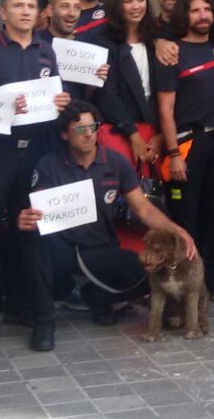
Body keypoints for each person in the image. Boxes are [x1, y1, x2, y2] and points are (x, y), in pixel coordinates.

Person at [19, 102, 198, 350]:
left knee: (147, 271)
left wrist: (177, 230)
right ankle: (44, 323)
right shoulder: (48, 164)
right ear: (64, 134)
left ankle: (98, 298)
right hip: (63, 248)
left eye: (92, 127)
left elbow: (143, 209)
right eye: (80, 129)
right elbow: (39, 208)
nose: (89, 134)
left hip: (101, 247)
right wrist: (28, 219)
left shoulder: (115, 162)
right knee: (35, 241)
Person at [0, 0, 70, 340]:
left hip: (37, 153)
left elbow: (59, 102)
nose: (25, 12)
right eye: (18, 6)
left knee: (33, 232)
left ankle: (38, 317)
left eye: (31, 6)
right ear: (2, 12)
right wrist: (1, 105)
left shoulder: (47, 50)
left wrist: (61, 102)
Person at [155, 0, 214, 304]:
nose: (202, 15)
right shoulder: (172, 53)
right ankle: (186, 284)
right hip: (188, 143)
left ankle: (213, 280)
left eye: (207, 9)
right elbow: (165, 109)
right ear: (183, 15)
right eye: (194, 10)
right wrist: (174, 153)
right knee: (186, 216)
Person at [89, 0, 161, 167]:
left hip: (154, 129)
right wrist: (134, 136)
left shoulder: (155, 37)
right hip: (120, 129)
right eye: (128, 1)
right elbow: (108, 95)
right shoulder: (103, 40)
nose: (136, 6)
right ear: (117, 5)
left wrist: (160, 135)